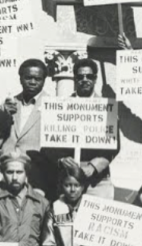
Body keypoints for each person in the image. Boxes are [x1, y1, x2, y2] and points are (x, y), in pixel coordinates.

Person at [42, 57, 119, 201]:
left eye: (89, 76)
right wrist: (60, 159)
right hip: (67, 179)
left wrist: (94, 167)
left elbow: (114, 144)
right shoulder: (60, 107)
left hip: (97, 181)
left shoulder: (107, 108)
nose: (85, 79)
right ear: (75, 79)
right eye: (80, 76)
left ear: (95, 79)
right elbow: (48, 142)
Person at [0, 58, 53, 196]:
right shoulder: (10, 103)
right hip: (9, 171)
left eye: (38, 79)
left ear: (44, 80)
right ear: (20, 79)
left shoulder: (52, 105)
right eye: (28, 77)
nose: (33, 82)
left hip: (36, 174)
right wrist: (2, 115)